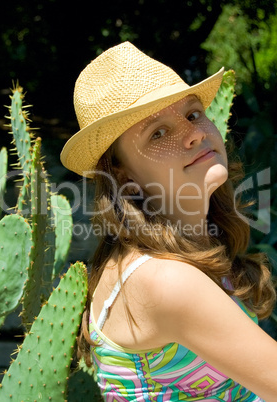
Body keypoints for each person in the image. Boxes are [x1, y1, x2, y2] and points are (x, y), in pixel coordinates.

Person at [61, 42, 277, 401]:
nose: (195, 133)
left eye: (192, 114)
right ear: (123, 174)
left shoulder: (175, 251)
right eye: (157, 133)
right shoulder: (165, 280)